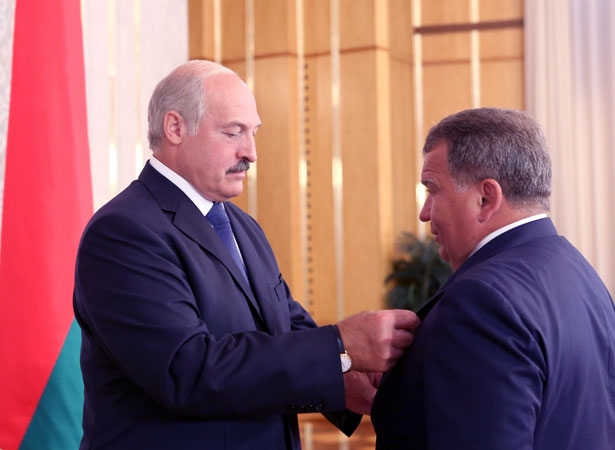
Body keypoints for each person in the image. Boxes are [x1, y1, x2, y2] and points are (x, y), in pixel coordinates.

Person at [72, 59, 419, 450]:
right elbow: (187, 371)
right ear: (176, 128)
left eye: (253, 133)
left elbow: (284, 329)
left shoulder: (241, 224)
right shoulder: (123, 232)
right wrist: (339, 344)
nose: (251, 153)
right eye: (233, 132)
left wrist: (343, 378)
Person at [371, 108, 615, 449]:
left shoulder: (480, 302)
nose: (424, 213)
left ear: (486, 198)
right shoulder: (579, 274)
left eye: (432, 190)